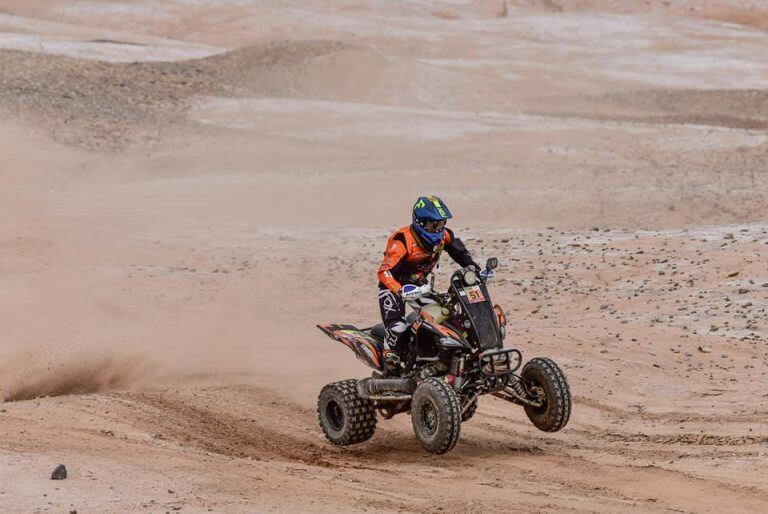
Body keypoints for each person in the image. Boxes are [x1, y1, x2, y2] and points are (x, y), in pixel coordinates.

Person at [377, 195, 481, 374]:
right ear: (420, 222)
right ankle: (390, 360)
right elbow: (384, 272)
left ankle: (432, 358)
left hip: (419, 287)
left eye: (441, 224)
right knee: (398, 327)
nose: (438, 229)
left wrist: (474, 268)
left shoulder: (444, 236)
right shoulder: (403, 240)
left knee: (442, 317)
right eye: (434, 225)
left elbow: (461, 253)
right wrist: (399, 290)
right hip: (393, 288)